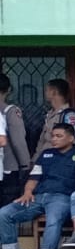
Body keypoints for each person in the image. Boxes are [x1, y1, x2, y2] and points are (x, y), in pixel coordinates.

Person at [0, 120, 75, 249]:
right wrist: (27, 192)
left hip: (62, 197)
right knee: (5, 213)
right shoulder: (46, 154)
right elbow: (33, 178)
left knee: (53, 219)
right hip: (38, 197)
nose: (54, 139)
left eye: (59, 136)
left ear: (71, 138)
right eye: (53, 136)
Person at [0, 73, 32, 208]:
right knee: (8, 208)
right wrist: (25, 165)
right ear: (8, 90)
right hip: (9, 167)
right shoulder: (10, 111)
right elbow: (18, 141)